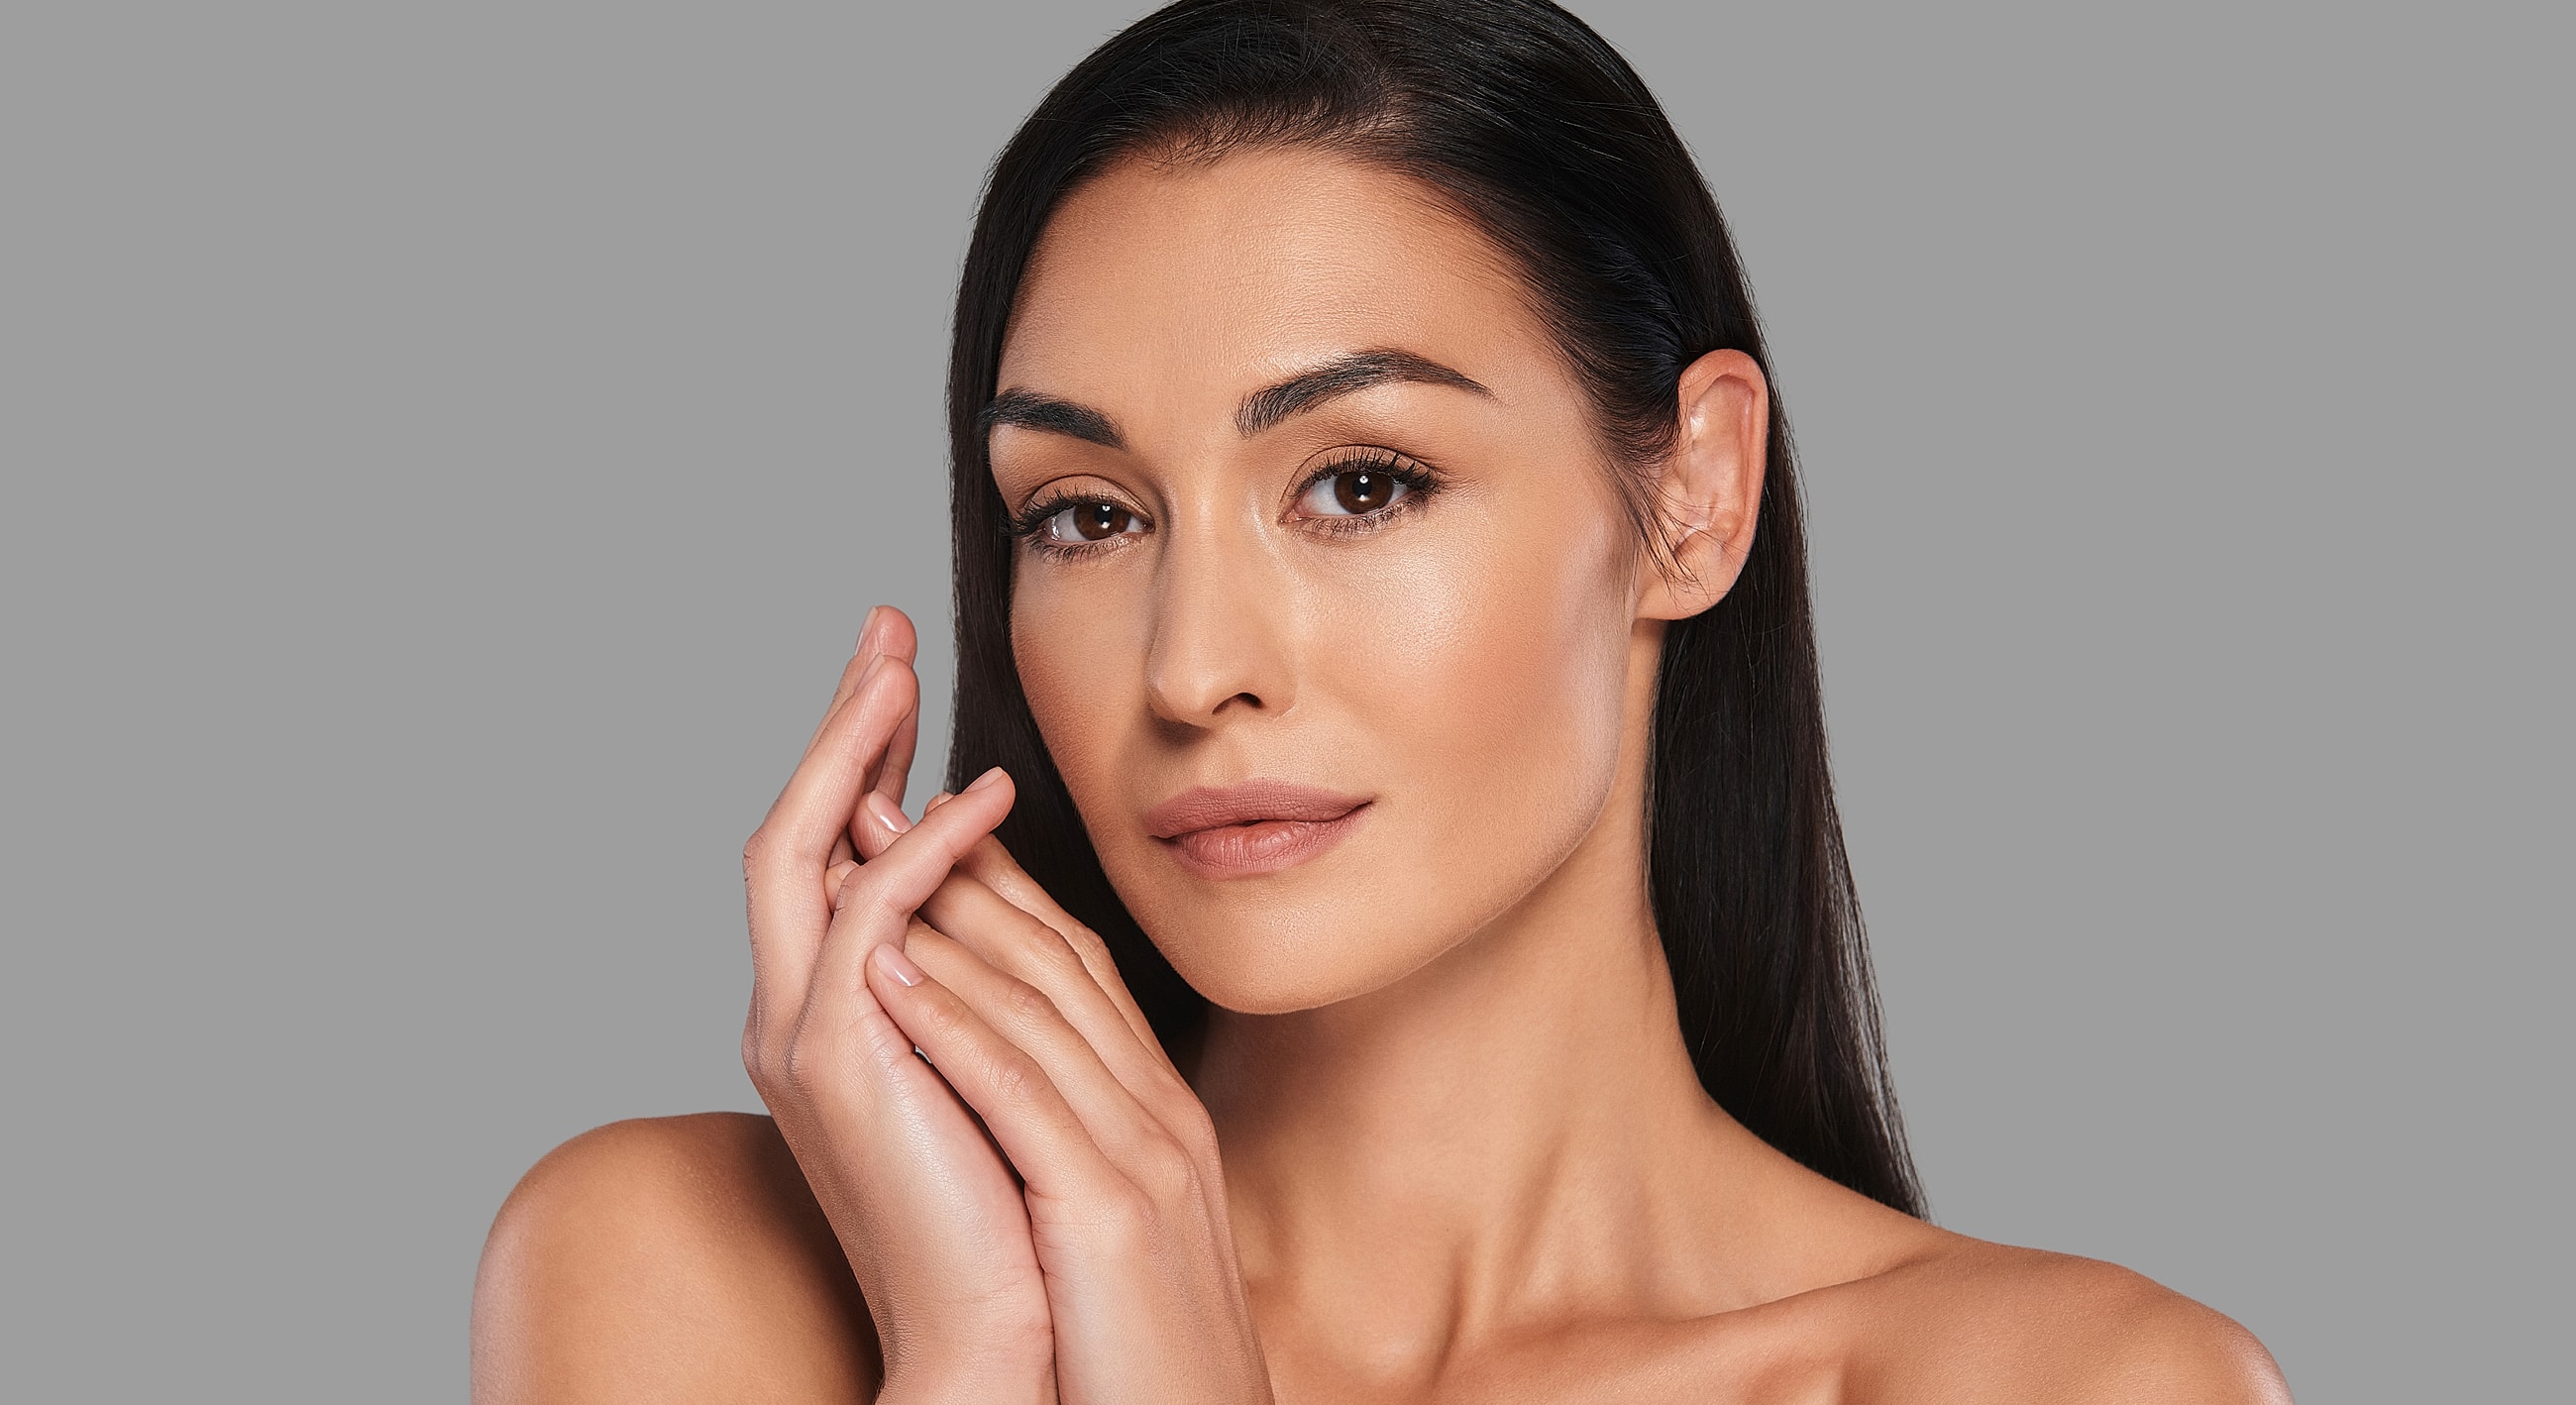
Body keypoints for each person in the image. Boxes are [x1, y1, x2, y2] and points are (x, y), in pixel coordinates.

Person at [471, 2, 2292, 1399]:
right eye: (1088, 514)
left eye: (1360, 483)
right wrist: (967, 1355)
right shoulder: (691, 1280)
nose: (1193, 669)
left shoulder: (2061, 1382)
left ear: (1692, 496)